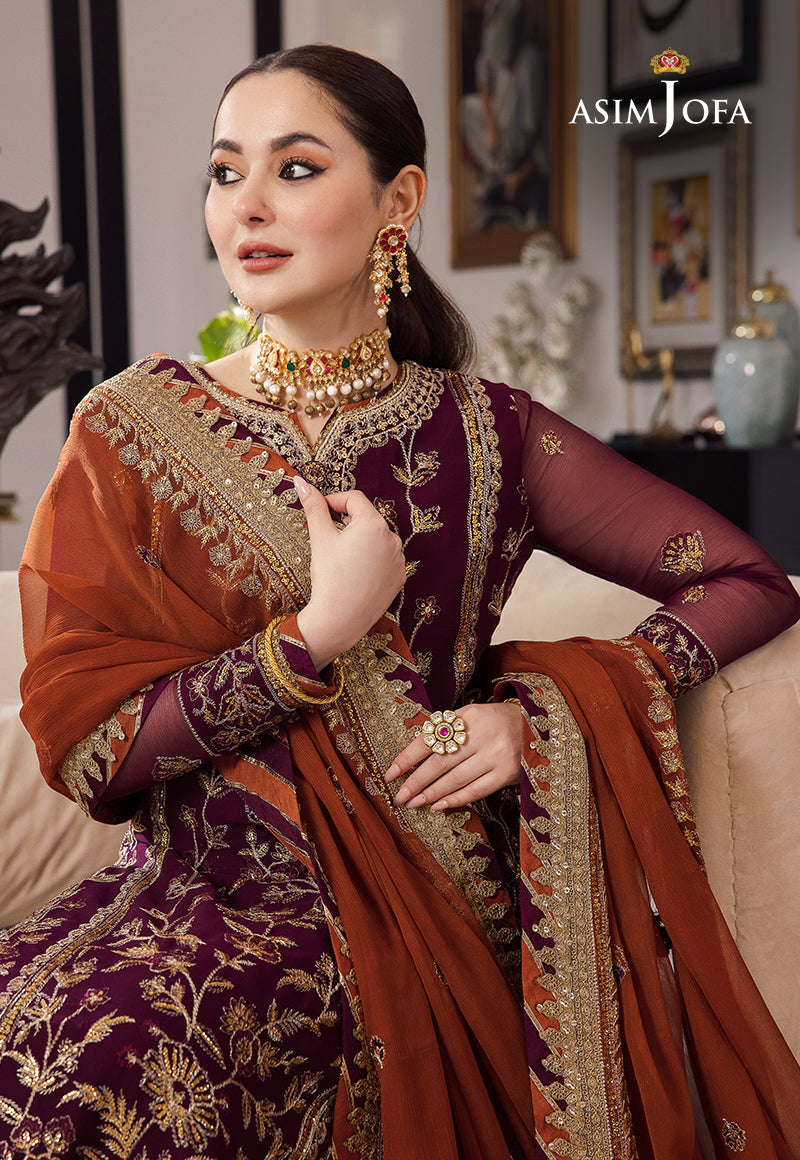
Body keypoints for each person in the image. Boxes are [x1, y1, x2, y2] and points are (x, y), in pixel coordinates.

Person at [1, 43, 799, 1160]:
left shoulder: (491, 433)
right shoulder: (129, 430)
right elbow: (95, 750)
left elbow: (744, 579)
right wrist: (312, 638)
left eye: (295, 167)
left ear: (398, 201)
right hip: (187, 894)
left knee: (101, 1080)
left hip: (416, 909)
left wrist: (534, 717)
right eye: (226, 172)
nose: (246, 206)